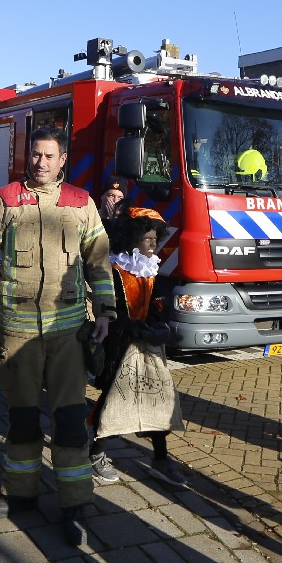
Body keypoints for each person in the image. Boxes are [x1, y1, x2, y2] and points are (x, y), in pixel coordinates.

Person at [0, 126, 117, 547]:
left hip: (67, 332)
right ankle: (21, 495)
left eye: (50, 156)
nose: (41, 163)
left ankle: (75, 504)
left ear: (63, 159)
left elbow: (99, 262)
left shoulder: (81, 204)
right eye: (36, 154)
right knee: (22, 420)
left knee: (70, 421)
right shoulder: (4, 202)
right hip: (16, 333)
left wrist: (105, 312)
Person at [88, 207, 187, 488]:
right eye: (147, 238)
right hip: (118, 347)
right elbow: (107, 310)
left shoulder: (149, 270)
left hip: (146, 347)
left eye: (155, 238)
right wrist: (129, 327)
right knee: (114, 400)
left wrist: (159, 325)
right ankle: (95, 453)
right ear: (133, 239)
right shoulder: (116, 270)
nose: (153, 243)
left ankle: (160, 459)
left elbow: (155, 305)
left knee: (157, 399)